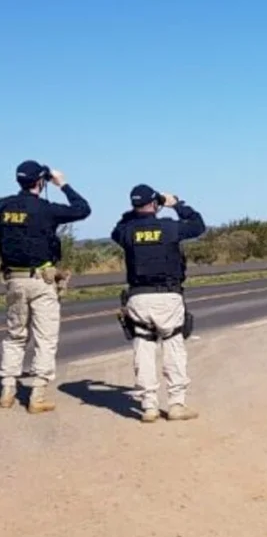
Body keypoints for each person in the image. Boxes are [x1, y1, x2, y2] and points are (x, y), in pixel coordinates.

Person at [0, 161, 91, 413]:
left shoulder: (3, 206)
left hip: (13, 280)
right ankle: (37, 395)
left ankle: (7, 389)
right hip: (41, 281)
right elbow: (82, 209)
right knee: (45, 338)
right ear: (41, 181)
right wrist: (62, 183)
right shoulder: (46, 209)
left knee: (15, 336)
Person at [111, 184, 206, 423]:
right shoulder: (170, 227)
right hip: (167, 295)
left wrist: (137, 210)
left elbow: (117, 228)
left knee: (143, 348)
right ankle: (176, 404)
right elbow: (198, 225)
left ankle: (149, 406)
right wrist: (176, 204)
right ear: (155, 204)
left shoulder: (127, 231)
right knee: (173, 346)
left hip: (139, 296)